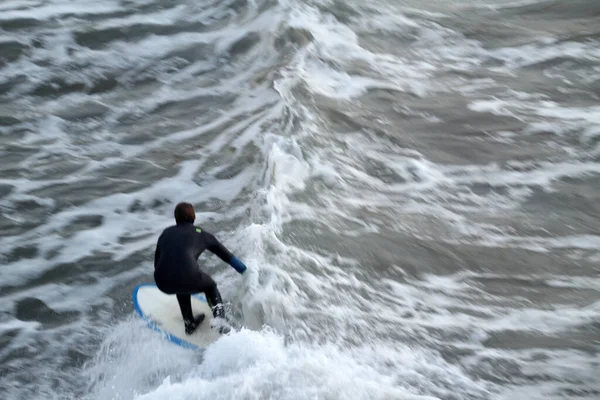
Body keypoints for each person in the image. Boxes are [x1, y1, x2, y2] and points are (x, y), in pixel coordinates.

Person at [153, 202, 247, 335]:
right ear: (194, 217)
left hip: (162, 282)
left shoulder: (165, 233)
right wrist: (245, 271)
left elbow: (157, 264)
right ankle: (220, 320)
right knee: (210, 286)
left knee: (180, 278)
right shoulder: (201, 234)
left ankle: (189, 322)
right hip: (187, 277)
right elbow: (226, 256)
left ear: (176, 218)